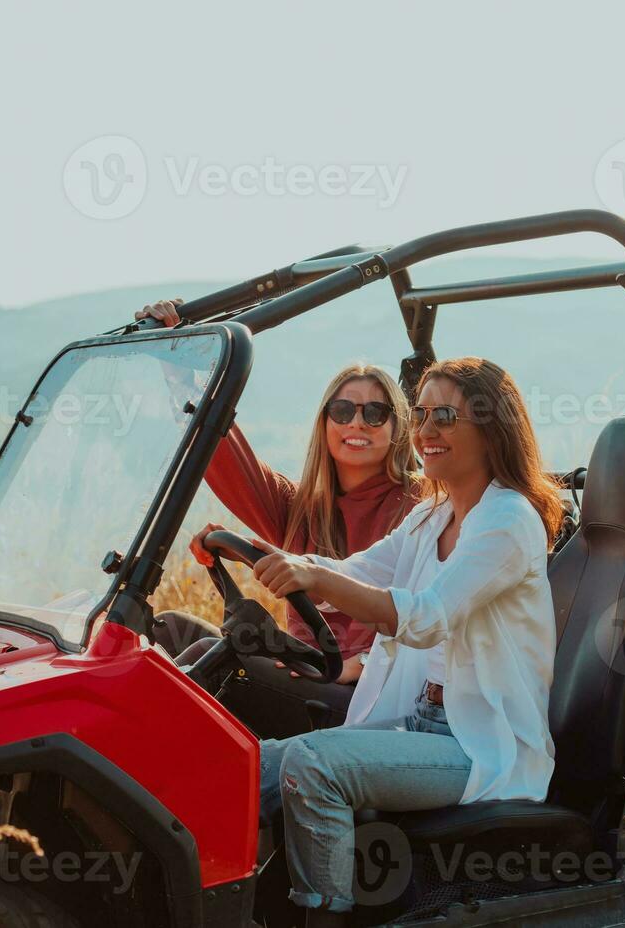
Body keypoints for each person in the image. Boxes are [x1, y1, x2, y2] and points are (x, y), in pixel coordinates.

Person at [202, 356, 564, 926]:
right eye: (421, 416)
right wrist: (285, 562)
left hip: (478, 744)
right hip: (418, 721)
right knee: (241, 765)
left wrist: (315, 576)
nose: (425, 432)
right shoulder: (431, 516)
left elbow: (423, 617)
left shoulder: (507, 521)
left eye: (444, 416)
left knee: (313, 763)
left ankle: (320, 920)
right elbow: (358, 574)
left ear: (492, 427)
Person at [135, 298, 423, 731]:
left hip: (363, 696)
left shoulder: (420, 505)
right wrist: (180, 376)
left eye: (375, 412)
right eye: (343, 411)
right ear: (324, 423)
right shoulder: (300, 507)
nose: (357, 424)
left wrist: (358, 664)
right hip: (302, 670)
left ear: (397, 427)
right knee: (166, 630)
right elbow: (225, 455)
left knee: (205, 669)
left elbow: (432, 613)